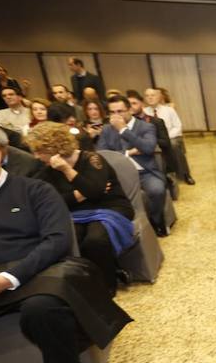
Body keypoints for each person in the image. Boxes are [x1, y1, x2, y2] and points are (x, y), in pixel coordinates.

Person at [0, 133, 132, 363]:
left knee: (43, 309)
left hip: (33, 273)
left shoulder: (34, 190)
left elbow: (56, 241)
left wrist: (8, 278)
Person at [27, 122, 135, 294]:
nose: (36, 156)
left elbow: (94, 192)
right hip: (77, 213)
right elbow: (54, 200)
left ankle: (107, 286)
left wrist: (67, 169)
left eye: (40, 151)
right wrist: (80, 194)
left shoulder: (92, 159)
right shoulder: (46, 170)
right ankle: (90, 282)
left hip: (111, 207)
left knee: (95, 240)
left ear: (55, 148)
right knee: (73, 238)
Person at [98, 95, 168, 237]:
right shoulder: (106, 129)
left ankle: (156, 220)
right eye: (112, 112)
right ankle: (124, 229)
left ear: (130, 110)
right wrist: (128, 152)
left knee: (157, 190)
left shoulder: (146, 126)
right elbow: (102, 154)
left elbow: (148, 148)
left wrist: (124, 130)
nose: (116, 116)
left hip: (144, 172)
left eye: (120, 111)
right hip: (118, 174)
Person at [144, 87, 194, 185]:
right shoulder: (143, 112)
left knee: (173, 145)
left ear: (159, 97)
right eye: (147, 96)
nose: (150, 98)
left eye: (152, 95)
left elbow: (177, 126)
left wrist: (166, 138)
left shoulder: (169, 110)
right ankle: (162, 176)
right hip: (152, 139)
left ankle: (185, 174)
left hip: (170, 137)